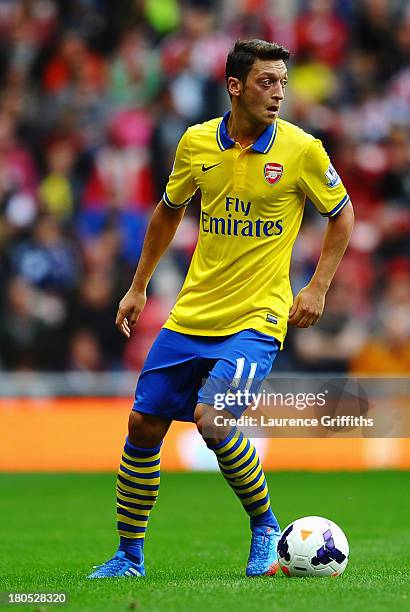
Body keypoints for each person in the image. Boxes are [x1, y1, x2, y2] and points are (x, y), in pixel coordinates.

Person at [88, 39, 354, 579]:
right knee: (142, 424)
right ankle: (128, 557)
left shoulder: (302, 150)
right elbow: (168, 212)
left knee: (214, 419)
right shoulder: (195, 143)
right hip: (192, 312)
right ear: (235, 86)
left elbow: (342, 213)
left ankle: (264, 527)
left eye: (283, 81)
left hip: (258, 317)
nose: (279, 93)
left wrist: (318, 287)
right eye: (266, 82)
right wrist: (138, 287)